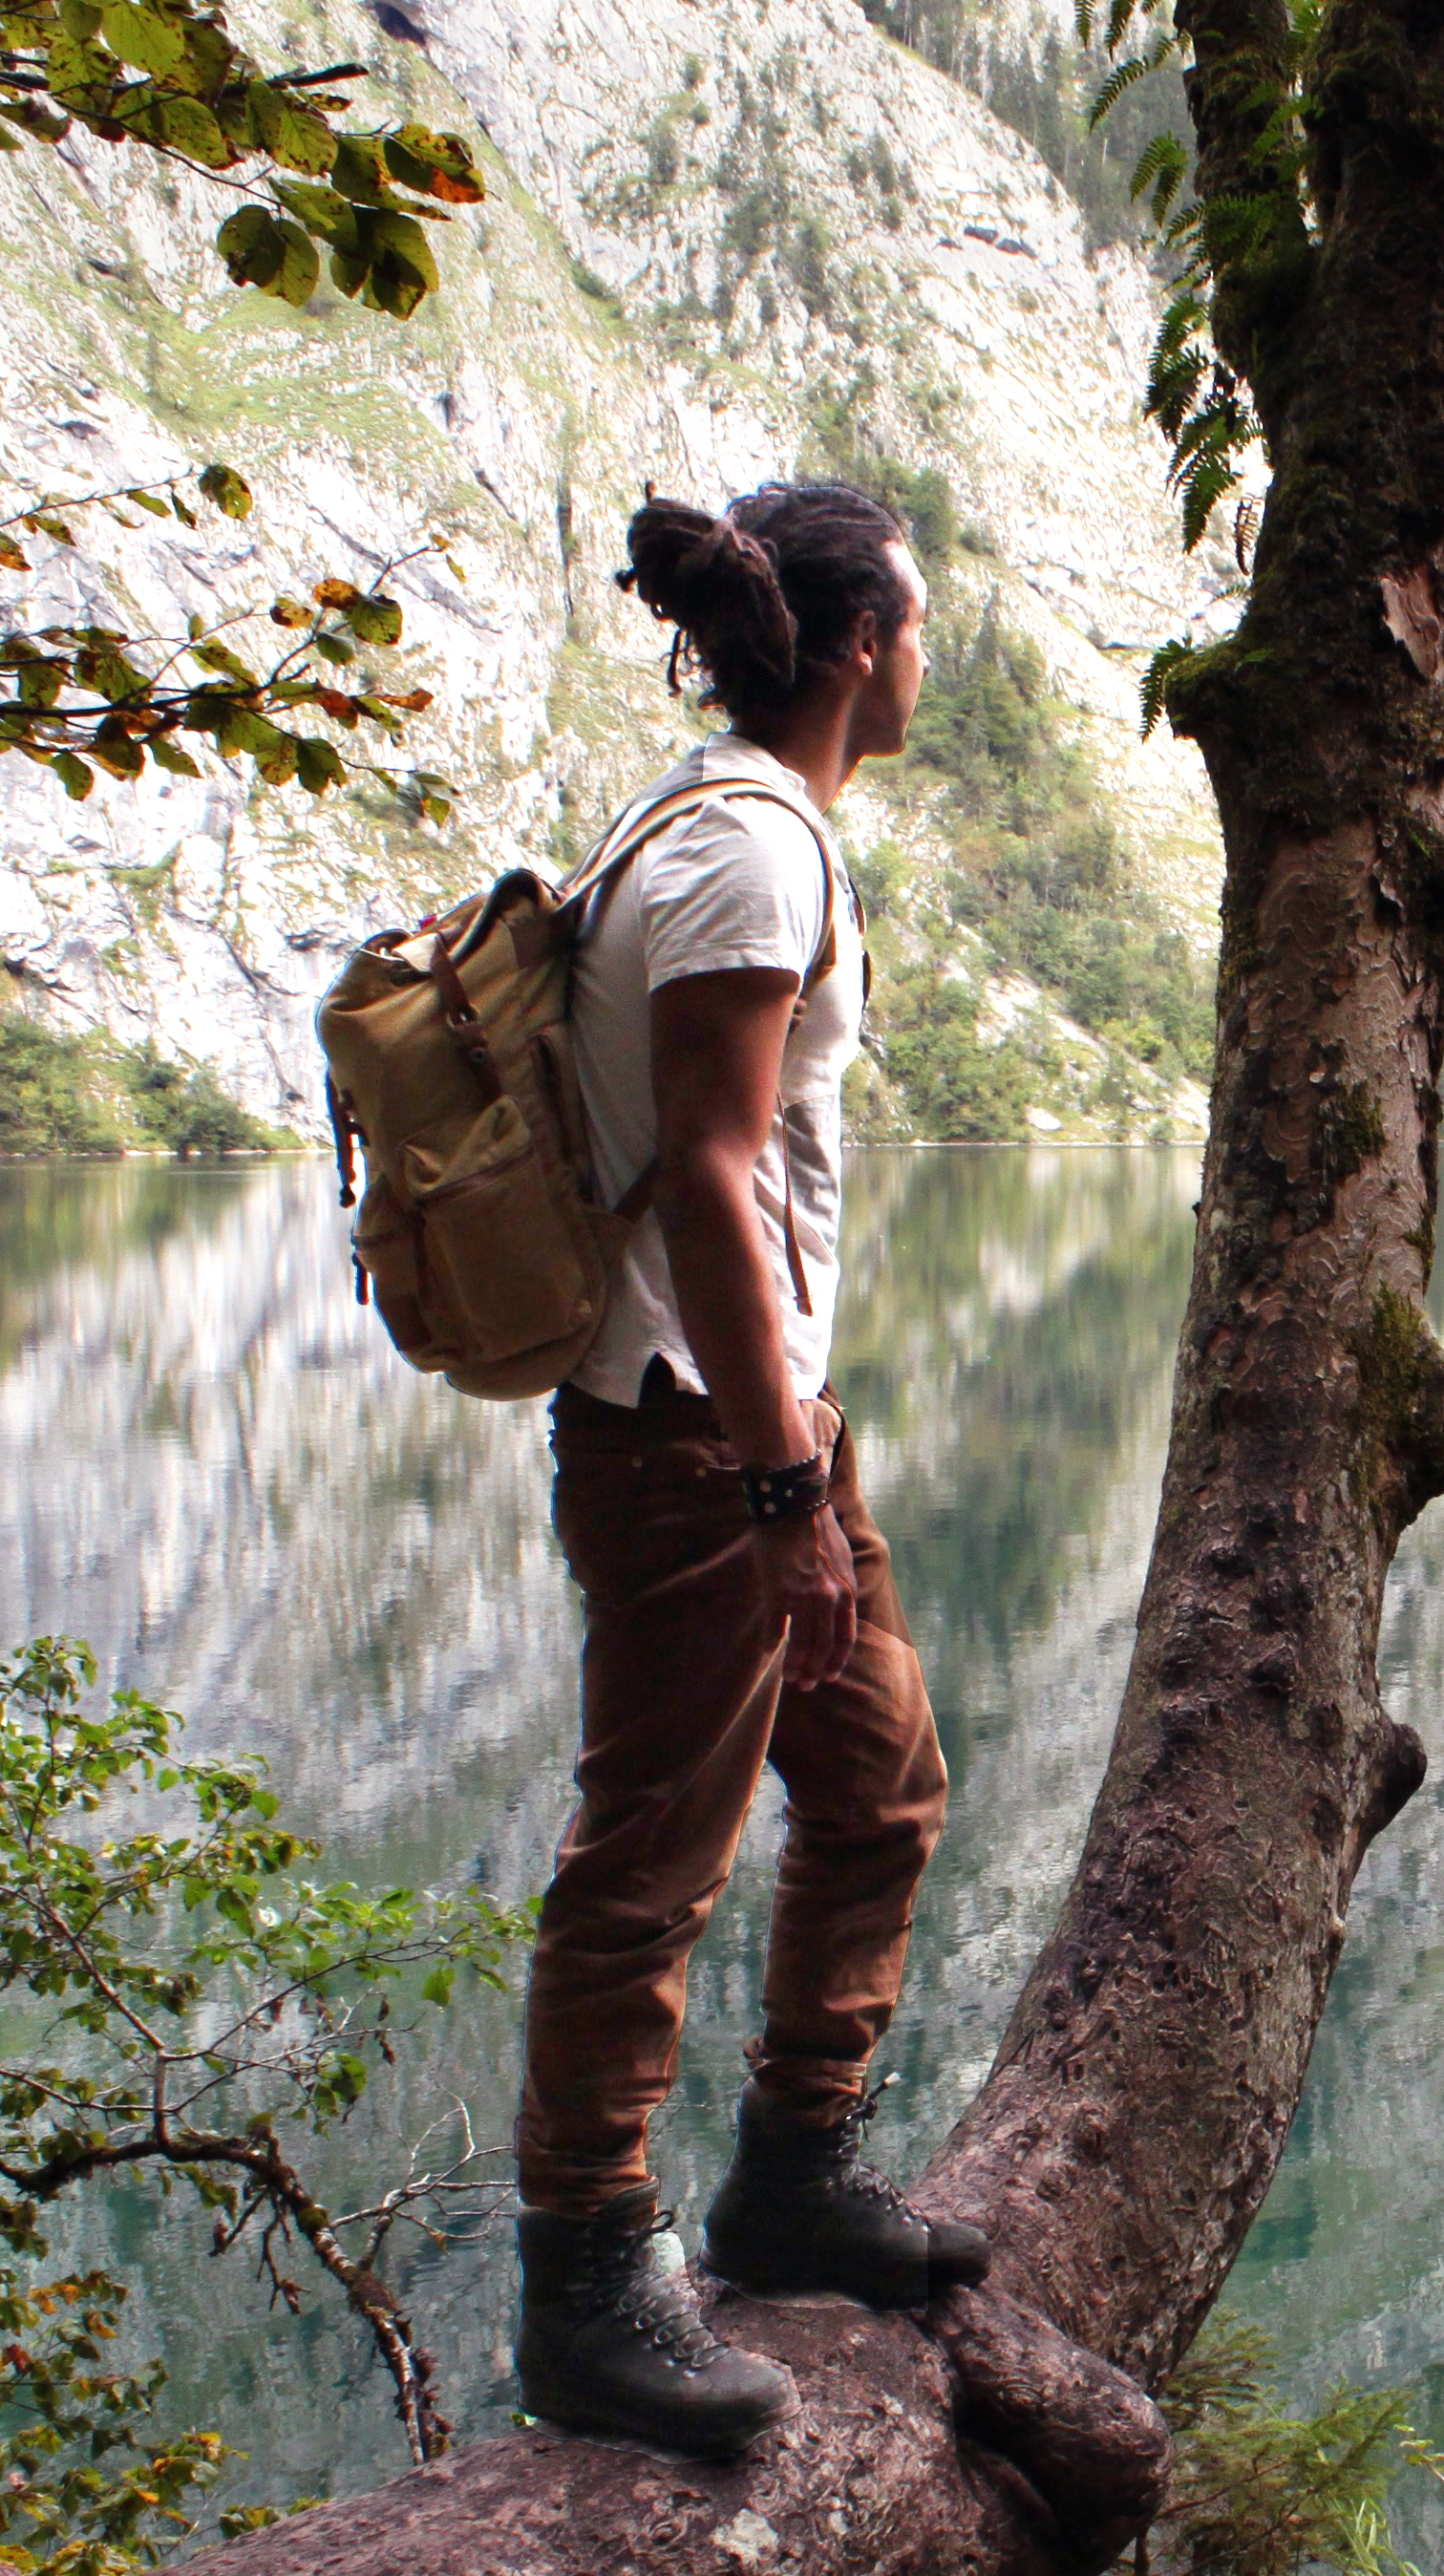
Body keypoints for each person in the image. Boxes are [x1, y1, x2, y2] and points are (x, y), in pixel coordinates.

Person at [509, 480, 987, 2458]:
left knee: (880, 1785)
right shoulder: (737, 852)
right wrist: (782, 1493)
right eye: (923, 623)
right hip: (699, 1436)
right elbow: (707, 1169)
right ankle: (590, 2282)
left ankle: (795, 2175)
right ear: (864, 641)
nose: (929, 657)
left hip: (768, 1416)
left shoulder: (757, 832)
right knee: (652, 1861)